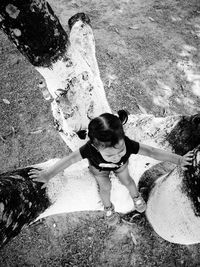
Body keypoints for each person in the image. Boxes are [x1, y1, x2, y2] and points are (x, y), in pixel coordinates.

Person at [28, 110, 194, 225]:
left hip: (121, 168)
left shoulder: (126, 144)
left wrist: (179, 160)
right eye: (110, 155)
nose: (117, 156)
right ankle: (108, 208)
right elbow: (69, 160)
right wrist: (48, 175)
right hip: (99, 171)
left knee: (128, 181)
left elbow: (151, 151)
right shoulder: (88, 149)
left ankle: (136, 197)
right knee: (105, 187)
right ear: (94, 146)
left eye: (121, 150)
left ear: (123, 139)